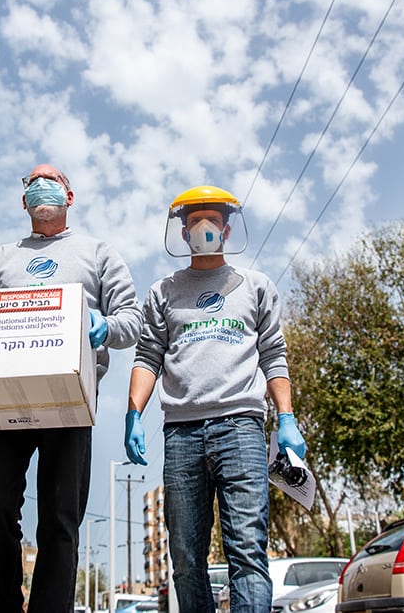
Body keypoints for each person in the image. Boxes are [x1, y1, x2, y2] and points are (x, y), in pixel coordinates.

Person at [122, 185, 307, 613]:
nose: (203, 227)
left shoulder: (255, 287)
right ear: (184, 233)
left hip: (241, 428)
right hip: (181, 435)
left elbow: (274, 354)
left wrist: (287, 418)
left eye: (212, 220)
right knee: (186, 559)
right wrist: (133, 413)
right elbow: (148, 355)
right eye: (194, 221)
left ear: (226, 230)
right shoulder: (163, 292)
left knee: (247, 551)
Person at [0, 163, 142, 613]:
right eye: (33, 180)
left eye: (54, 178)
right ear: (22, 198)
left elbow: (132, 321)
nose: (42, 183)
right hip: (1, 398)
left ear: (70, 195)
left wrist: (103, 327)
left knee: (60, 521)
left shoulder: (98, 253)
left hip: (69, 401)